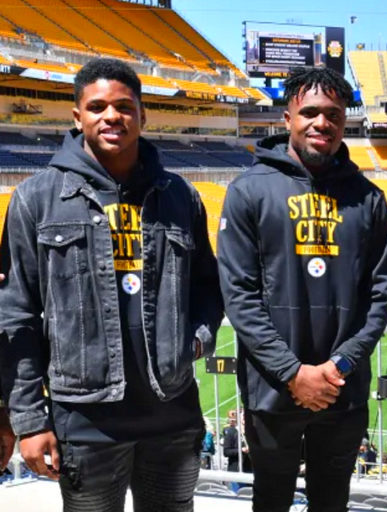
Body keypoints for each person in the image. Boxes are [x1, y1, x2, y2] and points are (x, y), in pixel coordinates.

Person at [0, 58, 223, 510]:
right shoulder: (35, 199)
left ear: (143, 114)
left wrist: (195, 341)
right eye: (97, 106)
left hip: (172, 413)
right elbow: (15, 311)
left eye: (124, 106)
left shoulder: (181, 196)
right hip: (84, 422)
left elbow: (207, 287)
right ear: (77, 116)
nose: (111, 116)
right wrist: (28, 419)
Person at [218, 66, 387, 512]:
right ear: (287, 119)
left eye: (333, 114)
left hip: (343, 389)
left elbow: (380, 295)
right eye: (310, 112)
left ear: (343, 122)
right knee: (271, 500)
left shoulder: (369, 199)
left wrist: (339, 366)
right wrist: (293, 373)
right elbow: (239, 295)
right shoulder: (248, 192)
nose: (322, 123)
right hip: (273, 390)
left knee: (332, 500)